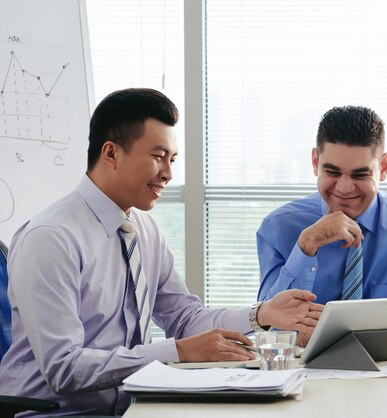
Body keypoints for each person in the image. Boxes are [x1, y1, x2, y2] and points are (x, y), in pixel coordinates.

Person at [0, 88, 322, 417]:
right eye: (158, 156)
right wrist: (179, 352)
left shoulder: (145, 231)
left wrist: (263, 314)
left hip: (132, 408)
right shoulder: (51, 239)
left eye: (172, 159)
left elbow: (185, 320)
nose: (168, 172)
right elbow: (64, 368)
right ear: (110, 153)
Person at [257, 106, 387, 346]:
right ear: (315, 162)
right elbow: (269, 327)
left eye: (360, 175)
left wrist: (344, 330)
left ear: (382, 168)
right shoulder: (278, 227)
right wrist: (306, 246)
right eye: (332, 171)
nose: (343, 188)